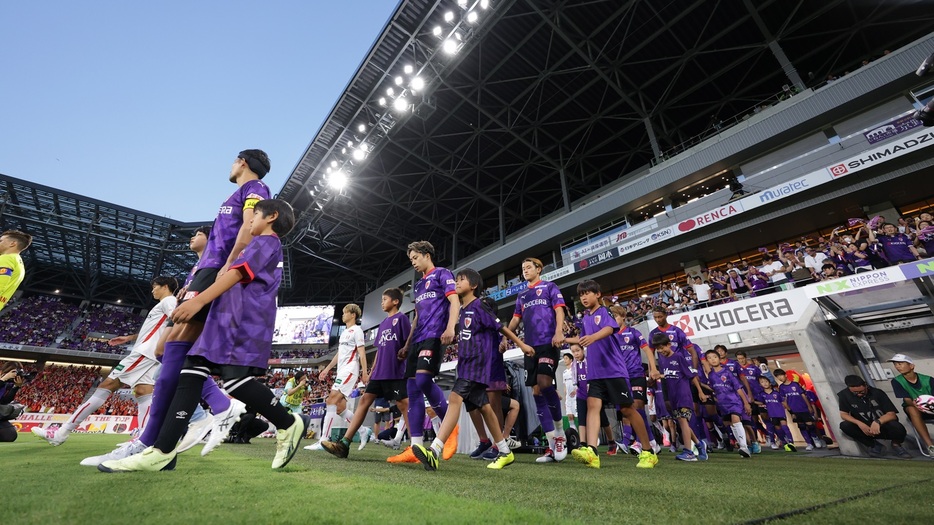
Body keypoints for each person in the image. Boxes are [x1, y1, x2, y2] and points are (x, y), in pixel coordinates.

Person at [98, 199, 305, 472]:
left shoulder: (268, 242)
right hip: (224, 317)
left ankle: (288, 422)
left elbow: (239, 273)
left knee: (235, 381)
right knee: (191, 370)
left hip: (245, 320)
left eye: (254, 214)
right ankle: (161, 451)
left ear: (271, 216)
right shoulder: (256, 243)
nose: (250, 219)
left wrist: (198, 301)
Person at [125, 150, 273, 464]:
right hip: (207, 270)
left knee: (177, 349)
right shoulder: (237, 193)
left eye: (234, 160)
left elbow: (248, 229)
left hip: (216, 268)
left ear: (242, 162)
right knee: (169, 352)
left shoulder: (255, 189)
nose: (231, 165)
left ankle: (153, 443)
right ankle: (200, 418)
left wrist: (229, 264)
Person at [32, 276, 179, 446]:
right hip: (149, 354)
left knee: (105, 386)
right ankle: (143, 440)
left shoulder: (169, 301)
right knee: (142, 391)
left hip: (144, 353)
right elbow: (160, 329)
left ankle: (61, 432)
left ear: (165, 286)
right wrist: (129, 338)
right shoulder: (163, 304)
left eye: (155, 287)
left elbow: (176, 320)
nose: (152, 290)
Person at [411, 268, 533, 471]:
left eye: (462, 280)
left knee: (455, 399)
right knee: (485, 407)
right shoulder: (461, 311)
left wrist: (521, 345)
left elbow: (500, 327)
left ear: (474, 285)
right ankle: (504, 450)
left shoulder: (480, 306)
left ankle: (434, 451)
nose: (457, 282)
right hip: (465, 363)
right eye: (456, 279)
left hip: (476, 364)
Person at [566, 280, 657, 469]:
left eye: (588, 293)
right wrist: (563, 339)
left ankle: (648, 452)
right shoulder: (585, 318)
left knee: (627, 410)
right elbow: (583, 339)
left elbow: (608, 329)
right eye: (581, 294)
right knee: (593, 406)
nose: (584, 296)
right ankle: (592, 451)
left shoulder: (605, 311)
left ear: (598, 294)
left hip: (614, 370)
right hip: (595, 372)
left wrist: (592, 337)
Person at [321, 288, 411, 459]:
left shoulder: (402, 319)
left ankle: (415, 445)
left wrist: (405, 355)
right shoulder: (384, 323)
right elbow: (379, 350)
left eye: (385, 299)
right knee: (364, 401)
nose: (382, 302)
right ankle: (344, 444)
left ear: (395, 301)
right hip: (379, 372)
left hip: (395, 371)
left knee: (404, 405)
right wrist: (371, 369)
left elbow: (408, 343)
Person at [390, 241, 459, 464]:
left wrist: (451, 327)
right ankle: (415, 445)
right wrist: (408, 343)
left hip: (435, 335)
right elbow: (418, 316)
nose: (413, 262)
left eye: (415, 258)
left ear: (426, 254)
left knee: (422, 380)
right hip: (418, 338)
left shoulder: (442, 274)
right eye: (411, 260)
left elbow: (454, 300)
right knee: (412, 389)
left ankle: (450, 429)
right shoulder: (418, 286)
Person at [503, 257, 569, 463]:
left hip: (548, 343)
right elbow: (515, 319)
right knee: (536, 391)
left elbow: (559, 309)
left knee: (544, 383)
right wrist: (505, 336)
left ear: (539, 269)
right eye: (523, 268)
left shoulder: (550, 287)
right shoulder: (522, 295)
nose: (525, 271)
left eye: (529, 267)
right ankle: (550, 445)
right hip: (530, 348)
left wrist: (559, 332)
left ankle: (561, 435)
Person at [306, 304, 370, 450]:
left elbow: (362, 353)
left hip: (350, 371)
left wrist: (365, 372)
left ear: (353, 314)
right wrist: (327, 369)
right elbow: (339, 354)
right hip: (341, 372)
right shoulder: (345, 332)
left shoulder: (357, 331)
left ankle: (323, 440)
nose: (343, 315)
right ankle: (363, 431)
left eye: (345, 312)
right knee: (340, 409)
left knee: (331, 401)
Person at [609, 306, 660, 454]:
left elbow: (647, 350)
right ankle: (649, 441)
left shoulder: (633, 333)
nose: (614, 320)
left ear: (623, 317)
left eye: (616, 317)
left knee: (637, 407)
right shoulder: (610, 337)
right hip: (620, 378)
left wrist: (654, 369)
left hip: (636, 374)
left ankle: (642, 442)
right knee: (627, 411)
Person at [654, 333, 707, 461]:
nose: (661, 351)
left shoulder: (678, 357)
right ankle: (699, 445)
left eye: (662, 347)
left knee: (683, 421)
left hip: (683, 395)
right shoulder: (661, 360)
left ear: (669, 345)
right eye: (658, 349)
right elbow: (667, 376)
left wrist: (700, 391)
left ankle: (689, 452)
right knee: (682, 423)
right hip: (673, 397)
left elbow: (691, 375)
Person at [837, 375, 911, 458]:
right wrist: (859, 423)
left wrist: (878, 422)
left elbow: (892, 414)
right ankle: (874, 445)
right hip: (865, 428)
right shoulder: (844, 395)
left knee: (898, 427)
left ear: (865, 385)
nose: (859, 394)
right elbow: (844, 414)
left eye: (861, 391)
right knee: (845, 425)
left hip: (882, 426)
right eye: (855, 392)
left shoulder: (877, 393)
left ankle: (896, 444)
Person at [704, 350, 753, 457]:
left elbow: (738, 388)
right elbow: (714, 389)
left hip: (734, 401)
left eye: (714, 357)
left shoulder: (727, 372)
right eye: (709, 358)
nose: (713, 359)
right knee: (731, 425)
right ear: (707, 361)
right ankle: (742, 446)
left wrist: (746, 403)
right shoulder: (711, 375)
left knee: (736, 420)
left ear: (719, 358)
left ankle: (744, 447)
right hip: (722, 404)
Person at [888, 354, 934, 456]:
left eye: (900, 363)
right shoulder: (896, 381)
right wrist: (918, 404)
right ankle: (931, 447)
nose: (897, 366)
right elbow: (906, 399)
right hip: (914, 408)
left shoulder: (928, 379)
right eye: (895, 364)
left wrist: (928, 406)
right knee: (912, 409)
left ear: (911, 366)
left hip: (931, 408)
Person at [774, 369, 823, 451]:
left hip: (803, 408)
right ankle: (809, 443)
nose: (780, 378)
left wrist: (809, 406)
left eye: (781, 375)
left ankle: (815, 438)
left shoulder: (795, 384)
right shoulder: (781, 387)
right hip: (794, 410)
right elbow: (784, 400)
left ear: (785, 375)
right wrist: (790, 411)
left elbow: (803, 395)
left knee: (810, 424)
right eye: (777, 376)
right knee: (801, 426)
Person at [753, 376, 796, 451]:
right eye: (762, 382)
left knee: (785, 427)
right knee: (778, 428)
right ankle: (784, 442)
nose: (765, 383)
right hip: (772, 414)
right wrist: (752, 401)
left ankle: (791, 443)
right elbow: (761, 402)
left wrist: (790, 411)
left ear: (769, 383)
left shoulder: (776, 392)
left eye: (766, 381)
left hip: (780, 413)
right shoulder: (762, 394)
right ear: (760, 385)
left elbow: (783, 401)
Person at [0, 229, 32, 311]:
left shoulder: (7, 258)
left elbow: (1, 283)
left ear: (13, 243)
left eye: (1, 241)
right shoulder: (20, 264)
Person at [0, 362, 28, 442]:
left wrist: (16, 387)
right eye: (13, 371)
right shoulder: (3, 381)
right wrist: (2, 379)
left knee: (10, 435)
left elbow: (5, 401)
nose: (15, 374)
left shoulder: (7, 384)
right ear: (2, 372)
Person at [562, 352, 577, 430]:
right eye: (564, 359)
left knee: (577, 414)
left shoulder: (574, 369)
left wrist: (576, 390)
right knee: (569, 415)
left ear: (571, 360)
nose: (564, 360)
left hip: (575, 395)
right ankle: (574, 431)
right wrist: (565, 399)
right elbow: (564, 385)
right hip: (568, 397)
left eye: (566, 358)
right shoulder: (564, 372)